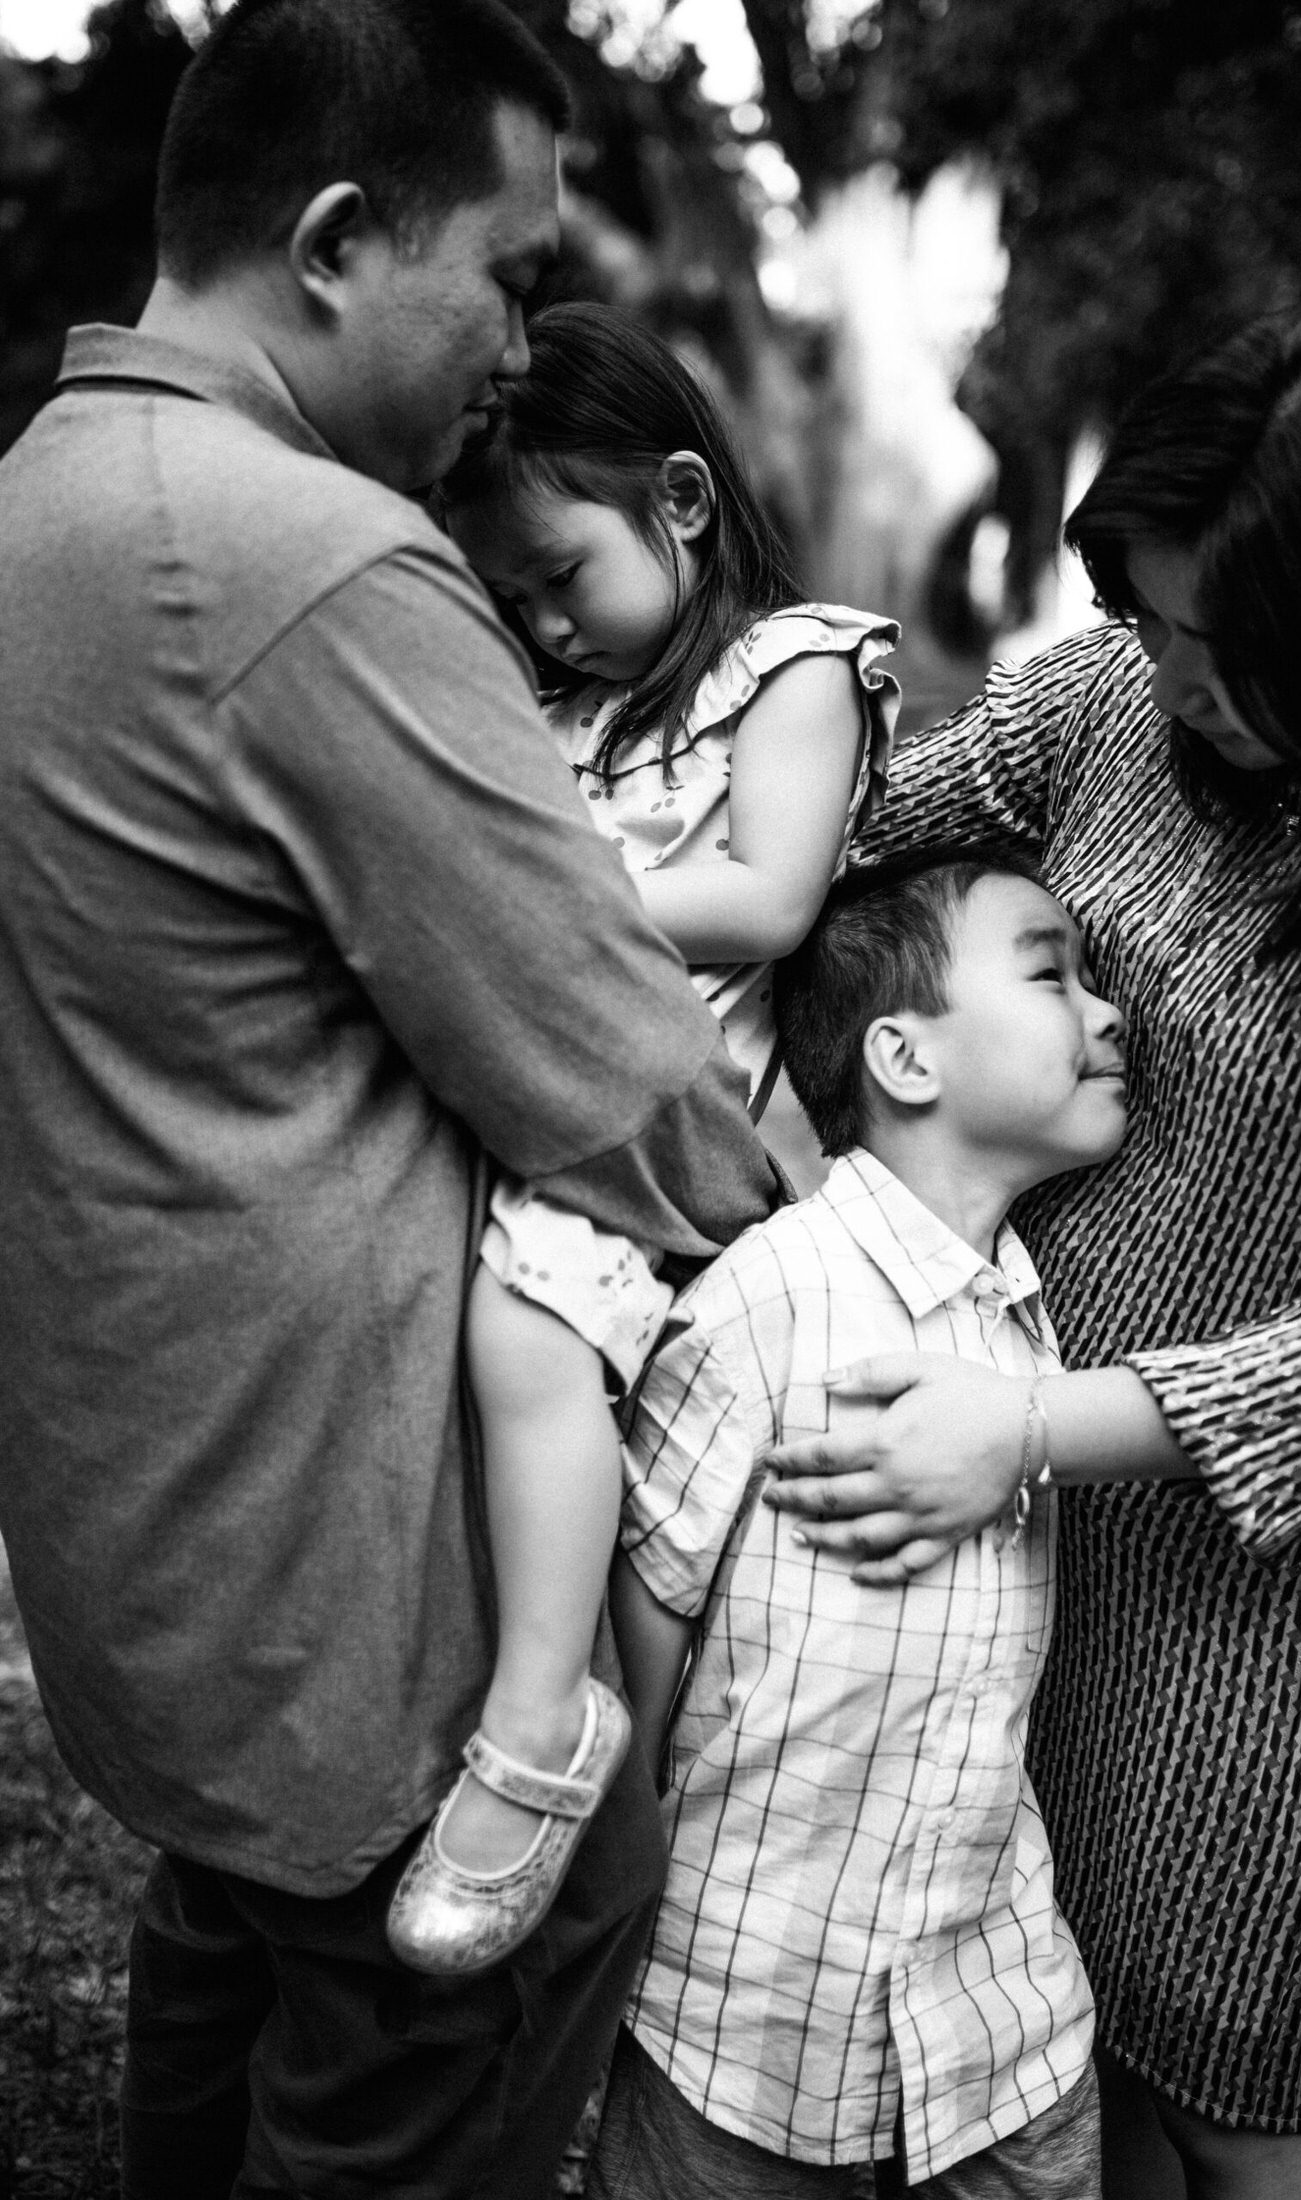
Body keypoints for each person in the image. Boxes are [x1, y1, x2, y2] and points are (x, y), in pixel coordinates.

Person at [0, 5, 786, 2195]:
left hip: (148, 1519)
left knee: (228, 1940)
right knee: (507, 1952)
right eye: (510, 275)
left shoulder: (35, 496)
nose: (527, 346)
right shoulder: (317, 561)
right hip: (355, 1566)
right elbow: (632, 1074)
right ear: (340, 238)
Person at [760, 302, 1301, 2200]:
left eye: (1219, 644)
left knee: (1239, 2101)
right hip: (1007, 1517)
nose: (1169, 677)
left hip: (1265, 1615)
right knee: (1058, 2049)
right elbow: (827, 859)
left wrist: (1026, 1422)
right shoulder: (1104, 707)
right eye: (1145, 619)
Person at [385, 303, 899, 1975]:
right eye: (512, 595)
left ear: (681, 500)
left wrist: (543, 892)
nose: (545, 620)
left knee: (525, 1321)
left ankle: (544, 1728)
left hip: (665, 1138)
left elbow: (767, 893)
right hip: (532, 1098)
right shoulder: (566, 703)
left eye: (559, 573)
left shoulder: (792, 667)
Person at [582, 849, 1129, 2199]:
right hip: (740, 2014)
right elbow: (645, 1600)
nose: (1109, 1012)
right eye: (1052, 972)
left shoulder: (1033, 1312)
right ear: (904, 1057)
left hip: (997, 2013)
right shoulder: (769, 1298)